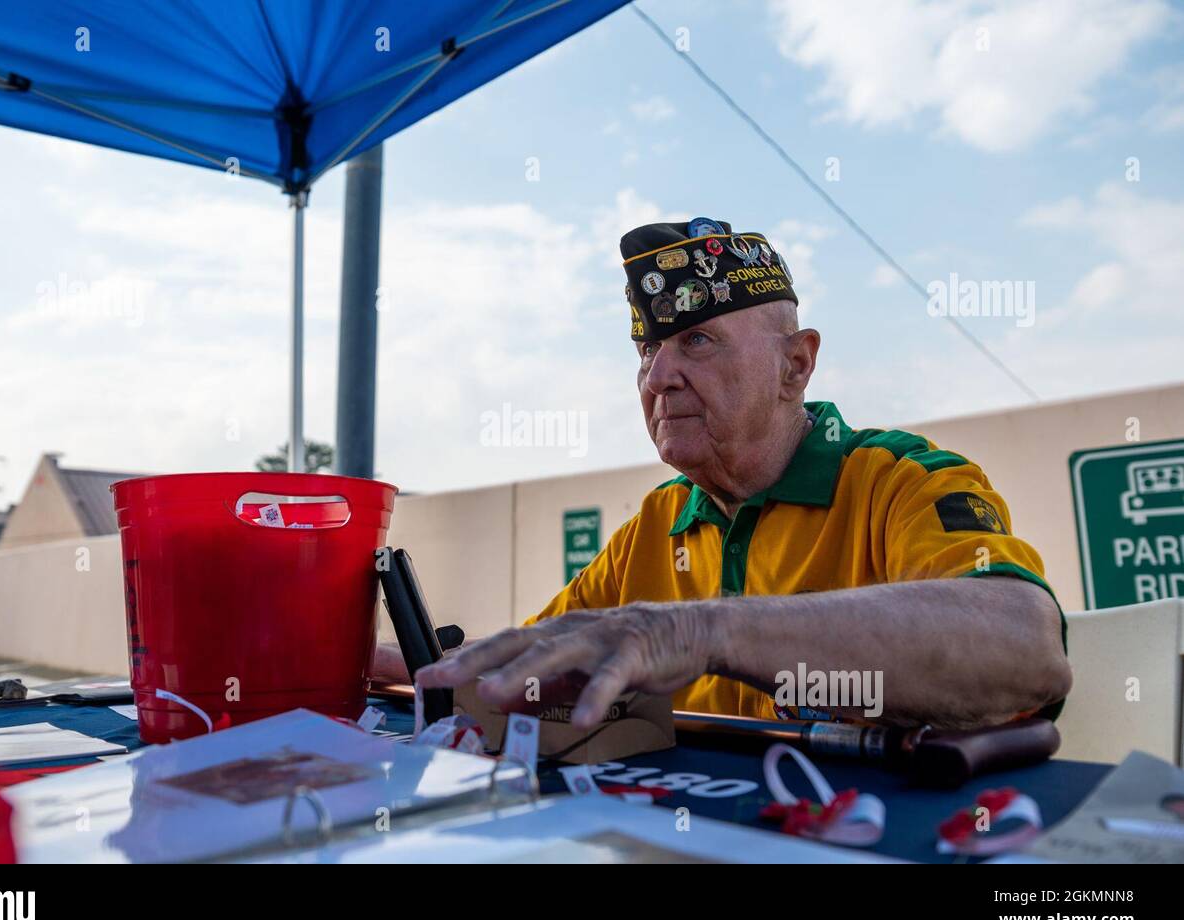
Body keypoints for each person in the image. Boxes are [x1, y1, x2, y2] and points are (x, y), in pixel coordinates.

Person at [416, 218, 1071, 732]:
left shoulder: (901, 481)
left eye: (697, 340)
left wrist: (700, 631)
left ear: (796, 364)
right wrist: (395, 665)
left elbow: (1025, 649)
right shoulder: (655, 523)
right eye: (647, 348)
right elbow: (531, 666)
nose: (657, 377)